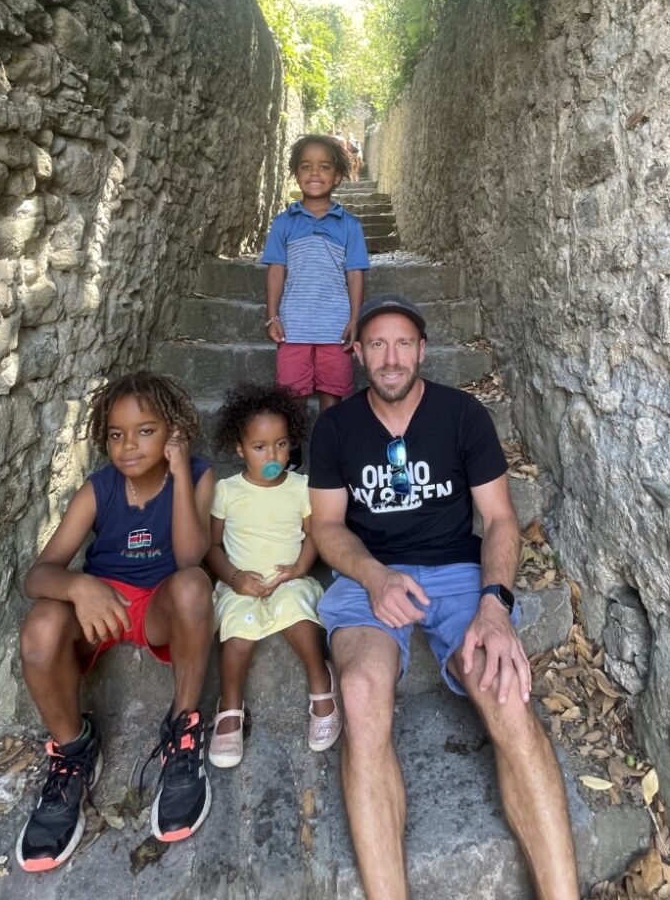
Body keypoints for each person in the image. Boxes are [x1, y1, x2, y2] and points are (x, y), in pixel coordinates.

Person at [308, 294, 579, 900]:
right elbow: (325, 527)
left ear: (423, 350)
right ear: (357, 353)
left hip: (458, 573)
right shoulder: (335, 428)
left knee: (506, 695)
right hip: (369, 573)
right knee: (358, 692)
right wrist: (375, 577)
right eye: (376, 344)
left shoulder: (463, 416)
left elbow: (501, 521)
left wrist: (494, 605)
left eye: (403, 343)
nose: (391, 356)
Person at [16, 371, 215, 872]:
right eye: (116, 434)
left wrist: (182, 471)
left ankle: (184, 730)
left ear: (172, 431)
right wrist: (78, 586)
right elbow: (37, 575)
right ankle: (73, 749)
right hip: (100, 607)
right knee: (41, 625)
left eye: (146, 431)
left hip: (159, 605)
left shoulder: (199, 474)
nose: (128, 445)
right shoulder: (98, 488)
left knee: (194, 586)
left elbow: (193, 556)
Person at [206, 383, 342, 768]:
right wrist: (234, 579)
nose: (272, 455)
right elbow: (211, 547)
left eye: (281, 444)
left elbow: (316, 532)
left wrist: (299, 568)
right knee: (237, 628)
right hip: (241, 582)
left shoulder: (301, 487)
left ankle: (321, 684)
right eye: (260, 447)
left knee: (296, 611)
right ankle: (230, 705)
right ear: (239, 448)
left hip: (289, 577)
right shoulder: (227, 491)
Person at [261, 135, 370, 449]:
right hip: (293, 327)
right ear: (296, 172)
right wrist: (272, 317)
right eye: (306, 166)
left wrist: (354, 318)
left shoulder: (350, 226)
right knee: (290, 394)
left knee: (332, 391)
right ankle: (290, 451)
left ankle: (328, 448)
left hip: (335, 327)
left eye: (324, 167)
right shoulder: (284, 223)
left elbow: (355, 273)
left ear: (337, 176)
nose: (314, 173)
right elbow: (276, 271)